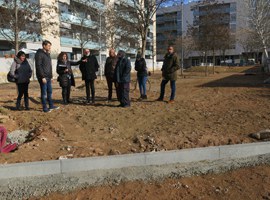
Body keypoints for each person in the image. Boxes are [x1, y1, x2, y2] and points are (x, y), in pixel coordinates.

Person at [35, 40, 59, 112]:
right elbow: (38, 66)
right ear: (44, 46)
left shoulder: (47, 54)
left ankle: (51, 106)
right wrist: (42, 77)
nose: (49, 47)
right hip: (43, 77)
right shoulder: (39, 54)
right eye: (48, 46)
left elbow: (49, 67)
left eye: (50, 46)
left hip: (48, 77)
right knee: (44, 93)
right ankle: (45, 108)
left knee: (49, 92)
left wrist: (51, 77)